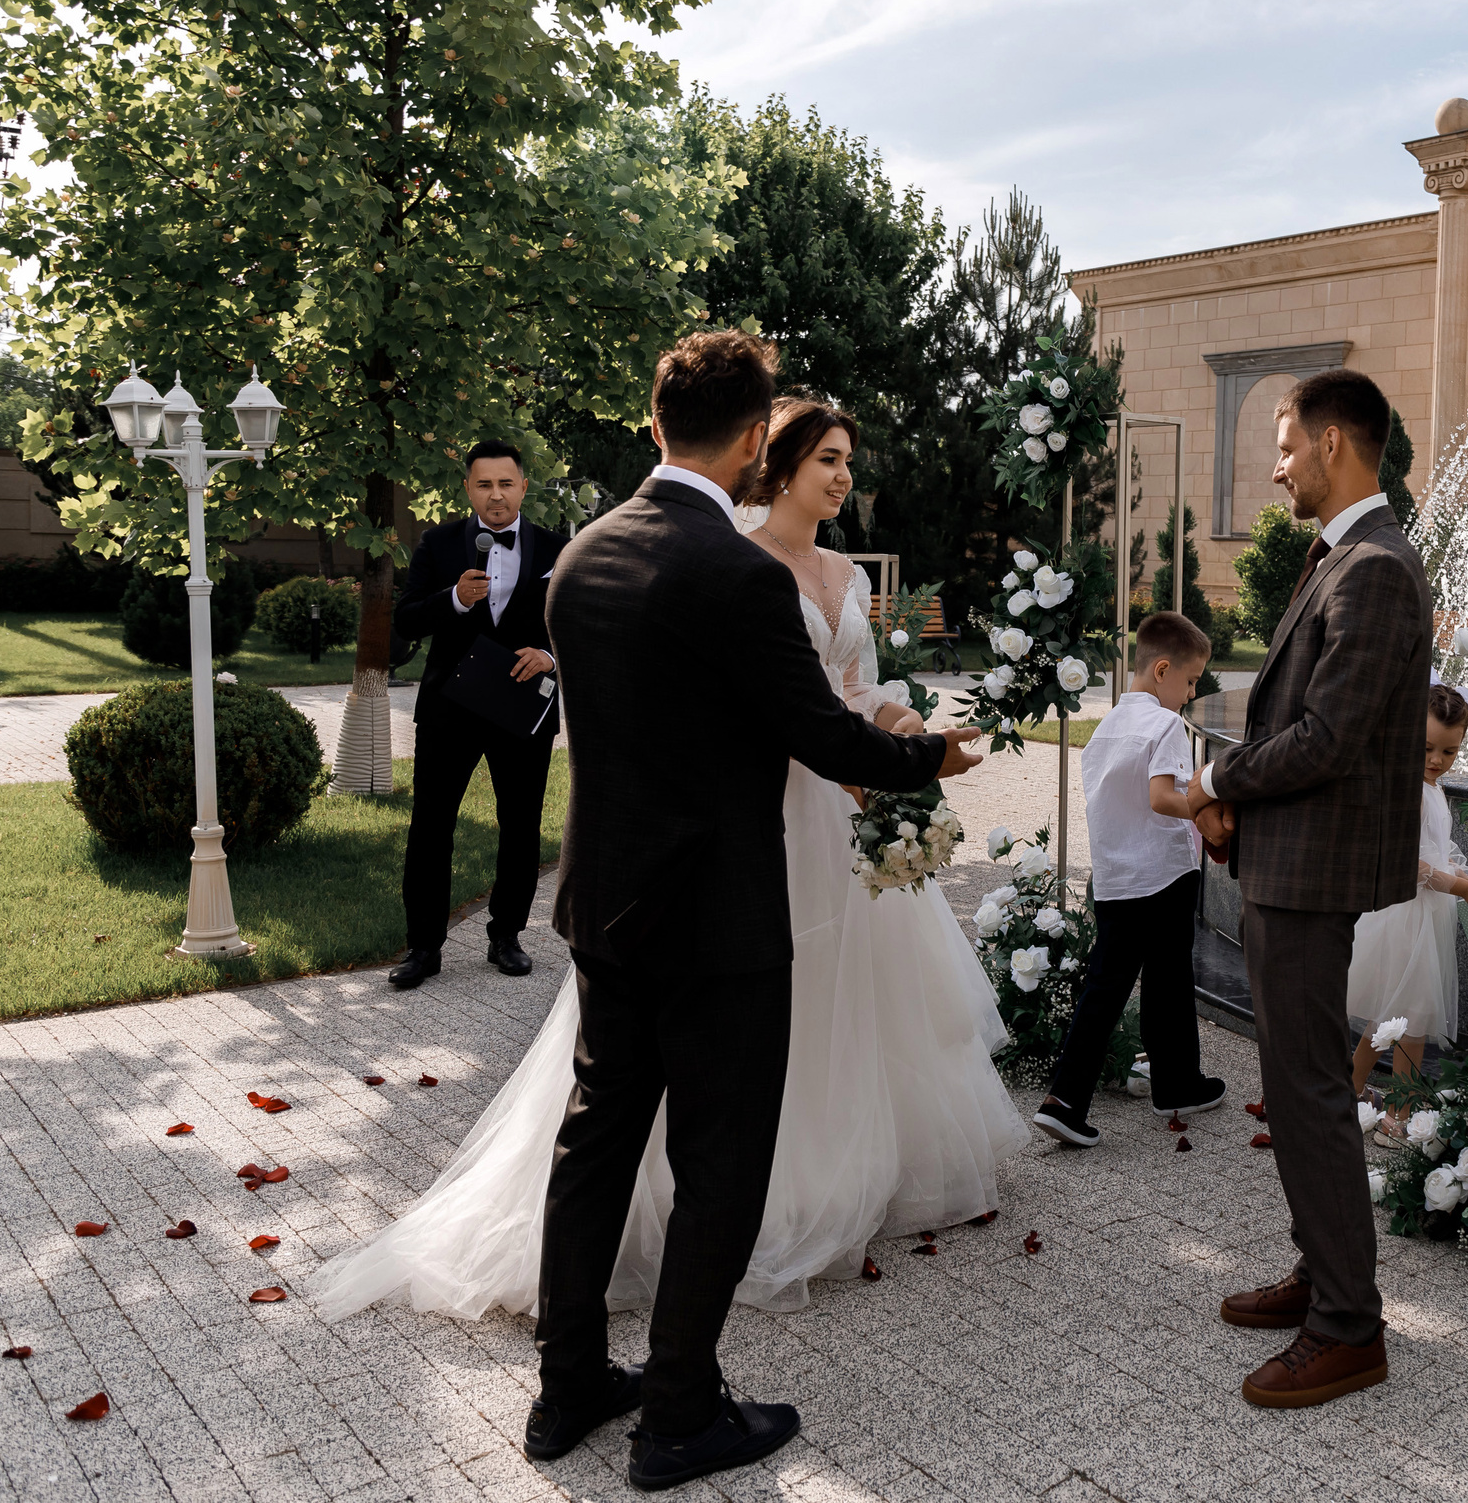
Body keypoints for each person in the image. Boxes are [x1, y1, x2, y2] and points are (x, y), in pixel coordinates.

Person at [306, 344, 997, 1496]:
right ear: (745, 447)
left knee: (598, 1140)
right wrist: (931, 755)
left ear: (653, 421)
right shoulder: (734, 573)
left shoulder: (582, 553)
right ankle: (676, 1412)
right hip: (716, 915)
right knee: (723, 1158)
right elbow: (820, 738)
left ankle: (568, 1384)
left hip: (604, 904)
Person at [1185, 367, 1430, 1411]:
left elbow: (1327, 739)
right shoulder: (1345, 556)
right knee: (1293, 1084)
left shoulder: (1372, 566)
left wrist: (1209, 783)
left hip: (1311, 865)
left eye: (1284, 446)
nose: (1276, 467)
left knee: (1311, 1093)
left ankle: (1347, 1327)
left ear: (1334, 443)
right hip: (1290, 853)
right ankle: (1322, 1273)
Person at [1031, 609, 1224, 1149]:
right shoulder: (1164, 724)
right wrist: (1209, 794)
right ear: (1162, 670)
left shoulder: (1110, 725)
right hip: (1162, 875)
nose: (1190, 694)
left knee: (1126, 983)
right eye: (1189, 681)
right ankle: (1086, 1098)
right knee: (1161, 983)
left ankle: (1158, 1085)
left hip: (1116, 877)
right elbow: (1163, 797)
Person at [389, 438, 568, 990]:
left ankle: (506, 936)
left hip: (522, 707)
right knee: (431, 826)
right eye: (484, 484)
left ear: (523, 487)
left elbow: (582, 621)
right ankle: (423, 948)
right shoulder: (438, 543)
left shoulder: (559, 548)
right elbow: (408, 618)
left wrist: (552, 657)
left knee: (520, 826)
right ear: (468, 488)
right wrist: (455, 601)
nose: (496, 494)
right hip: (450, 710)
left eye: (506, 483)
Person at [1346, 681, 1468, 1105]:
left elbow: (1435, 847)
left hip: (1425, 915)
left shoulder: (1432, 786)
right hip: (1405, 917)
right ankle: (1399, 1114)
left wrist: (1461, 874)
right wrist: (1462, 887)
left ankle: (1350, 1089)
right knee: (1409, 1024)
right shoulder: (1405, 789)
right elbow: (1406, 863)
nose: (1436, 760)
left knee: (1389, 1018)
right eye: (1427, 747)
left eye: (1449, 752)